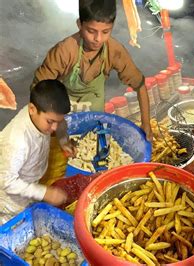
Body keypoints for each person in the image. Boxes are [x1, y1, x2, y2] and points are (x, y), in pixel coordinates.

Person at [31, 0, 152, 140]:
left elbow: (140, 85)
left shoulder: (114, 51)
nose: (98, 39)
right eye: (91, 31)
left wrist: (146, 123)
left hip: (96, 127)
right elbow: (37, 91)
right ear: (79, 24)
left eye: (106, 32)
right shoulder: (64, 52)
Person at [0, 80, 70, 225]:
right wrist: (44, 193)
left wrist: (64, 141)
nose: (55, 127)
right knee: (17, 226)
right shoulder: (17, 141)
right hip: (10, 201)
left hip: (32, 182)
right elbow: (7, 181)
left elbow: (60, 123)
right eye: (50, 121)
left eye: (58, 120)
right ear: (32, 109)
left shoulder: (42, 113)